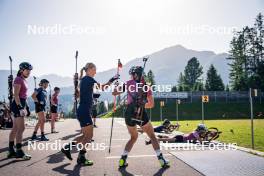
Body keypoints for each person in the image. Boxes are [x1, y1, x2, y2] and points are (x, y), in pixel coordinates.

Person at [61, 63, 119, 166]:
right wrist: (112, 79)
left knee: (85, 135)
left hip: (82, 110)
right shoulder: (88, 79)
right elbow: (103, 87)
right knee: (89, 135)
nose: (96, 72)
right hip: (84, 111)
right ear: (90, 69)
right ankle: (81, 157)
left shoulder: (83, 80)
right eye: (95, 69)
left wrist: (77, 87)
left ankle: (67, 148)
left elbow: (78, 93)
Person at [112, 66, 169, 168]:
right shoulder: (146, 86)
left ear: (135, 74)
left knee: (133, 137)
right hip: (141, 113)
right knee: (152, 136)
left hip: (129, 114)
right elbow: (151, 104)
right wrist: (141, 105)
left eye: (132, 74)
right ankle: (161, 159)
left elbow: (114, 92)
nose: (131, 76)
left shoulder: (128, 83)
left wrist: (116, 85)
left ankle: (123, 159)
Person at [7, 62, 33, 160]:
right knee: (21, 128)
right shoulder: (18, 79)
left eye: (30, 71)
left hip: (21, 104)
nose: (29, 72)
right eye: (27, 70)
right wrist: (20, 107)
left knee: (15, 128)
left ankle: (11, 151)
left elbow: (24, 96)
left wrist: (27, 108)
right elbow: (16, 95)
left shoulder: (24, 80)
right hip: (17, 105)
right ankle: (19, 151)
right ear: (22, 70)